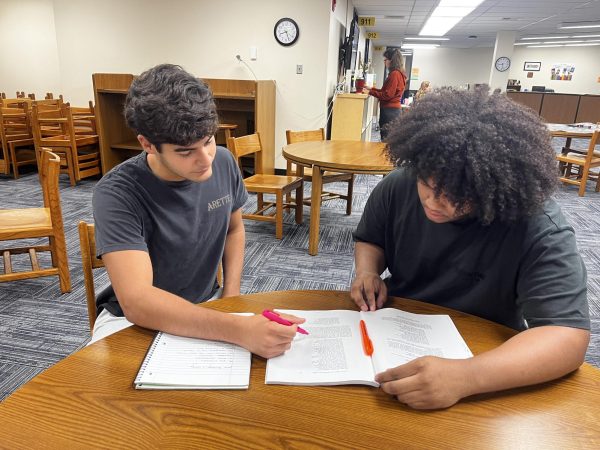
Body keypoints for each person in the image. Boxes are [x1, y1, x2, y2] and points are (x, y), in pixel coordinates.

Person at [350, 86, 590, 410]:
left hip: (487, 357)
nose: (434, 203)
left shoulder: (539, 227)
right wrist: (367, 271)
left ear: (494, 189)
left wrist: (466, 377)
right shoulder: (401, 182)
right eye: (428, 185)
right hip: (396, 328)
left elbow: (567, 336)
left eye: (456, 196)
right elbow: (371, 238)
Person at [91, 64, 304, 356]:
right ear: (148, 144)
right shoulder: (117, 192)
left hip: (208, 304)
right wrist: (237, 328)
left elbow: (234, 229)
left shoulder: (225, 162)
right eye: (185, 151)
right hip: (131, 320)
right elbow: (138, 301)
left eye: (208, 141)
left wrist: (231, 296)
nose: (205, 160)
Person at [362, 48, 407, 141]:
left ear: (391, 61)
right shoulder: (399, 73)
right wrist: (371, 89)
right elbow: (385, 91)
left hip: (389, 112)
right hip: (393, 111)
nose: (384, 62)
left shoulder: (394, 74)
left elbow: (387, 95)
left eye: (385, 59)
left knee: (386, 139)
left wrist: (370, 92)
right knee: (388, 138)